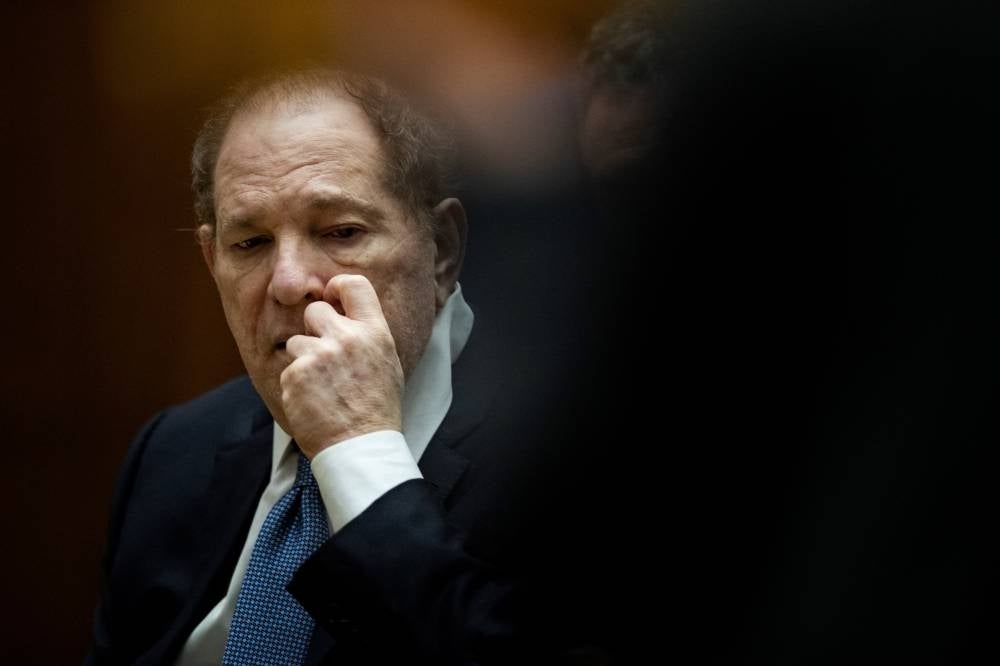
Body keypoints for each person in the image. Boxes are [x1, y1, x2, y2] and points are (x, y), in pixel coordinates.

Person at [86, 69, 604, 665]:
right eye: (249, 244)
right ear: (211, 260)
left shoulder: (573, 455)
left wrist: (357, 449)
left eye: (340, 231)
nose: (287, 283)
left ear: (442, 248)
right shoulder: (173, 450)